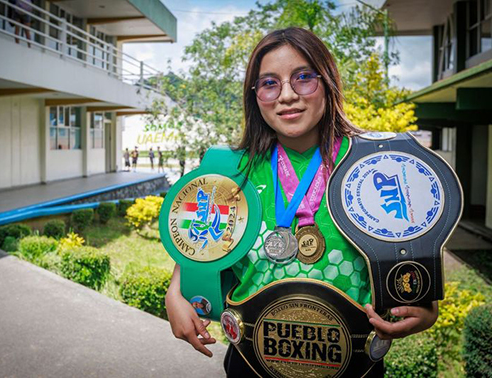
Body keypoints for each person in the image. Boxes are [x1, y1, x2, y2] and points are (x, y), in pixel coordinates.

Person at [164, 27, 439, 376]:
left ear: (327, 83)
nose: (287, 96)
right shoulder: (230, 170)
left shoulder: (379, 167)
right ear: (255, 96)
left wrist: (424, 310)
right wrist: (177, 290)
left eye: (303, 78)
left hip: (355, 368)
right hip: (250, 364)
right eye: (269, 83)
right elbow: (196, 242)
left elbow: (414, 266)